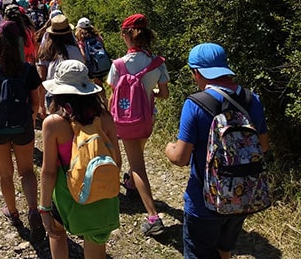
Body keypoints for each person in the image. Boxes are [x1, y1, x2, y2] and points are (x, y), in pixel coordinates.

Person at [165, 43, 269, 259]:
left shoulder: (195, 104)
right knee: (225, 249)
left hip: (204, 202)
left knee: (198, 252)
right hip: (242, 196)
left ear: (197, 72)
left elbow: (180, 158)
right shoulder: (252, 100)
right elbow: (263, 146)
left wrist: (169, 148)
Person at [39, 60, 121, 259]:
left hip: (68, 196)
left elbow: (49, 171)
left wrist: (44, 208)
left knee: (56, 232)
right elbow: (116, 161)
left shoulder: (53, 123)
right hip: (101, 193)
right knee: (95, 241)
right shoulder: (104, 118)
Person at [0, 20, 45, 243]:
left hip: (0, 130)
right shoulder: (28, 70)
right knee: (26, 171)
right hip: (23, 127)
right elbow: (35, 103)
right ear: (19, 42)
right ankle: (34, 210)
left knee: (6, 174)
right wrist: (30, 120)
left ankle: (13, 213)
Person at [106, 13, 170, 237]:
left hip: (125, 121)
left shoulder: (118, 65)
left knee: (138, 165)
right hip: (146, 119)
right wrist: (147, 92)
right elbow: (163, 94)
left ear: (126, 35)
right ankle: (131, 184)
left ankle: (153, 217)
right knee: (138, 155)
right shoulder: (157, 63)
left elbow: (113, 97)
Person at [37, 14, 84, 119]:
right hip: (74, 94)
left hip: (53, 94)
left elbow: (42, 78)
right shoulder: (74, 50)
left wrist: (41, 105)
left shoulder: (46, 51)